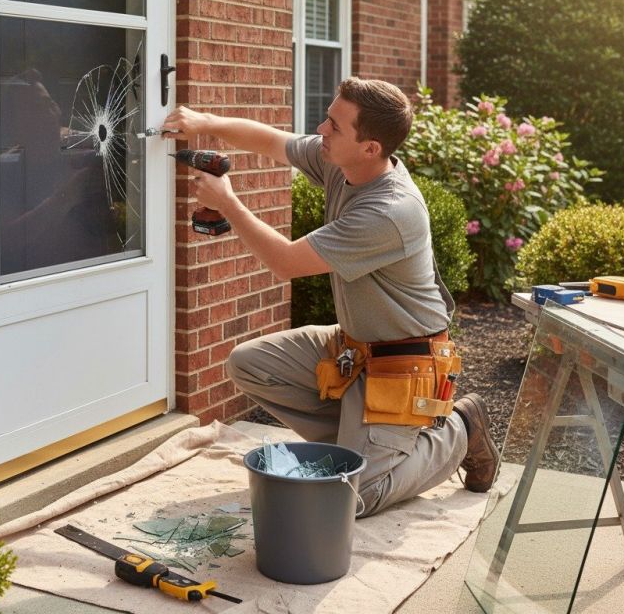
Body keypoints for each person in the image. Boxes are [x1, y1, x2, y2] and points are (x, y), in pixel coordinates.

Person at [162, 78, 499, 516]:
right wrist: (203, 122)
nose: (321, 129)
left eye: (335, 126)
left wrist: (228, 204)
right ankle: (356, 450)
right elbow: (271, 141)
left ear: (370, 147)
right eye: (327, 117)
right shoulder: (341, 163)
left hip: (404, 365)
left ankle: (460, 428)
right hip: (355, 348)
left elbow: (285, 263)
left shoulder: (389, 212)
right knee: (249, 364)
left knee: (353, 497)